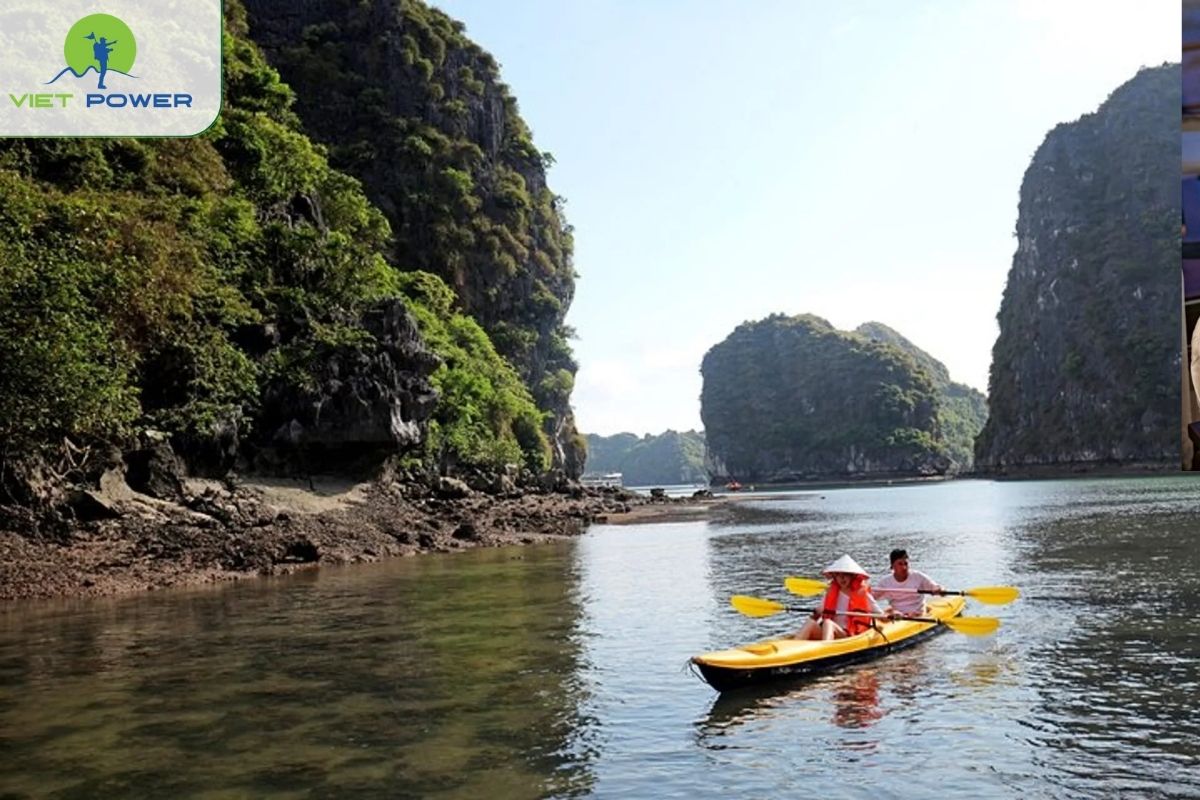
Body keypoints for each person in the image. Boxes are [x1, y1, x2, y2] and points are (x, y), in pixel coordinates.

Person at [790, 554, 890, 641]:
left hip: (848, 635)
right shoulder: (831, 593)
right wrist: (815, 614)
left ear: (852, 576)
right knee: (811, 623)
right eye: (838, 575)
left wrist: (889, 616)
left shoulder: (863, 595)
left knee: (828, 623)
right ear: (835, 577)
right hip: (830, 632)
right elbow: (818, 613)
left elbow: (881, 616)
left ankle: (825, 651)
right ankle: (793, 647)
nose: (842, 578)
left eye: (845, 575)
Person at [871, 549, 943, 617]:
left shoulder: (917, 576)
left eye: (906, 563)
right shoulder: (885, 582)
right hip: (898, 616)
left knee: (915, 614)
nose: (904, 567)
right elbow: (871, 598)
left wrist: (937, 589)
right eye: (900, 564)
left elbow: (934, 586)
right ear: (892, 566)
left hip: (918, 614)